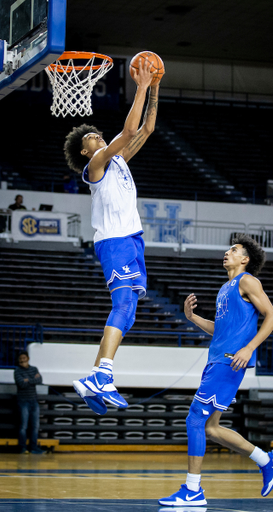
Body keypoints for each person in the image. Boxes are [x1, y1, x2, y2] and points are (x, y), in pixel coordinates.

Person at [64, 59, 161, 416]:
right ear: (86, 152)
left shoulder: (118, 160)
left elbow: (146, 128)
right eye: (92, 138)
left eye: (96, 134)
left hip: (131, 239)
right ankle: (102, 375)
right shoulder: (96, 166)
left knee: (129, 313)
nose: (97, 136)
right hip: (115, 240)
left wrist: (155, 86)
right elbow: (127, 130)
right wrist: (140, 85)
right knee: (121, 306)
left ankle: (95, 378)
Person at [159, 234, 273, 506]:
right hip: (216, 360)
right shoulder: (225, 288)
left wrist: (250, 347)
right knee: (210, 428)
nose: (227, 252)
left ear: (245, 259)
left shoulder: (247, 280)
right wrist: (193, 318)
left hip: (230, 361)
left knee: (194, 419)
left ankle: (192, 490)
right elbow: (220, 330)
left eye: (234, 249)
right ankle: (267, 460)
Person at [14, 351, 44, 454]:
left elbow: (39, 380)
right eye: (20, 358)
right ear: (18, 360)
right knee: (23, 426)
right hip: (23, 401)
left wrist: (28, 380)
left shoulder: (34, 369)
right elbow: (21, 384)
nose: (22, 360)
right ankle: (22, 448)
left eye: (24, 358)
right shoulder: (17, 371)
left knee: (35, 426)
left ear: (28, 358)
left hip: (34, 401)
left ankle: (34, 448)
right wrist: (32, 380)